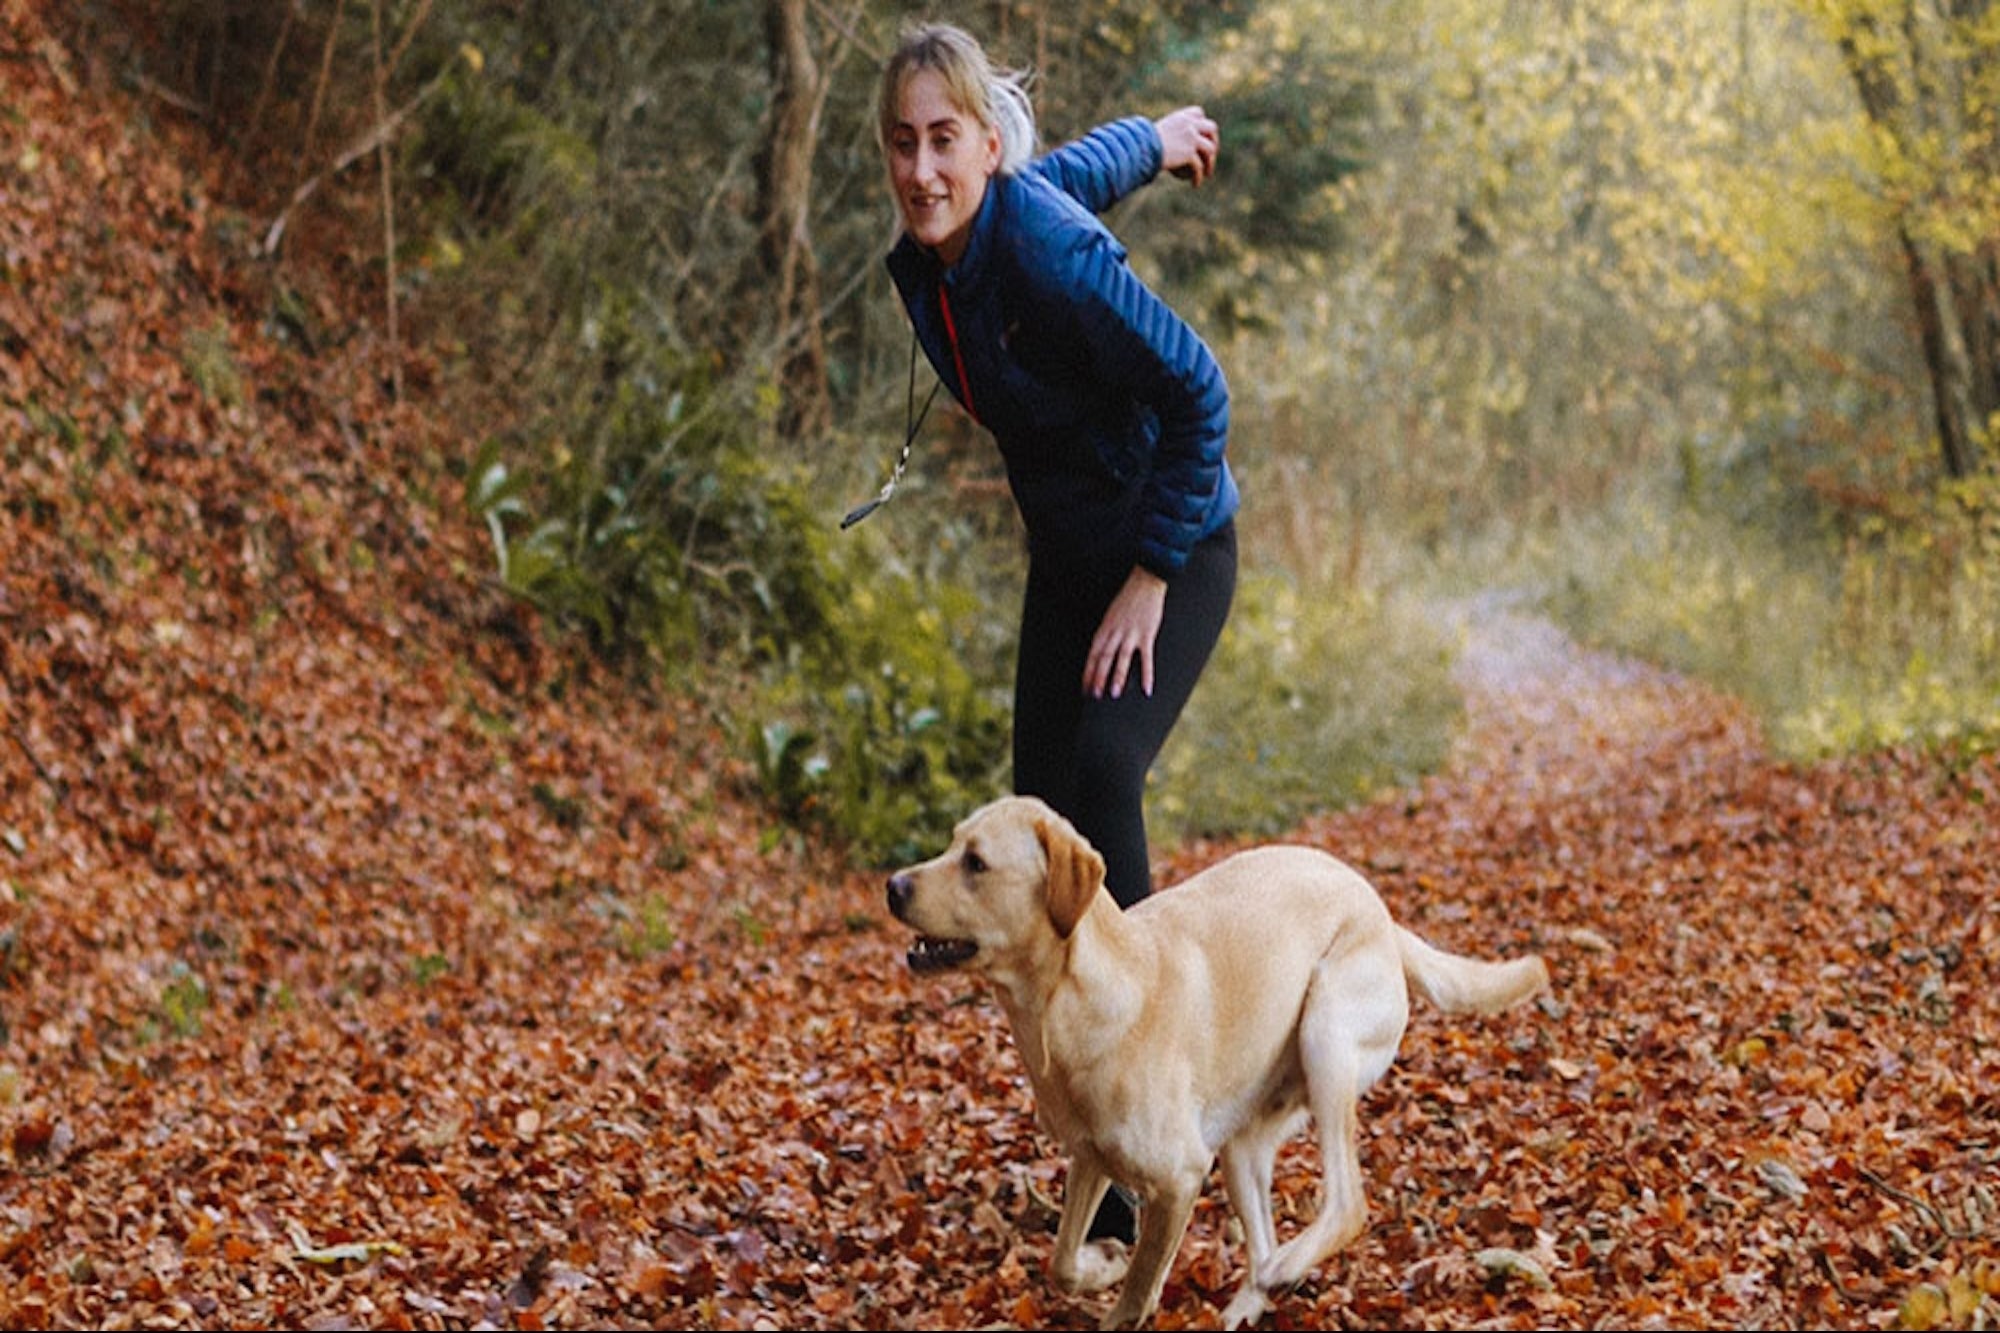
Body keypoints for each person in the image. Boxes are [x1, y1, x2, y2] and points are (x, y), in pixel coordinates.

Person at [874, 21, 1239, 1245]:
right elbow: (1070, 172)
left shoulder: (1038, 256)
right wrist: (1157, 137)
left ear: (981, 143)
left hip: (1170, 546)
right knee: (1030, 824)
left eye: (943, 141)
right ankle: (1087, 1113)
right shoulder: (953, 247)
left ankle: (1154, 1122)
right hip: (1072, 558)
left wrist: (1151, 571)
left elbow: (1198, 387)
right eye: (901, 144)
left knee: (1095, 778)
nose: (922, 170)